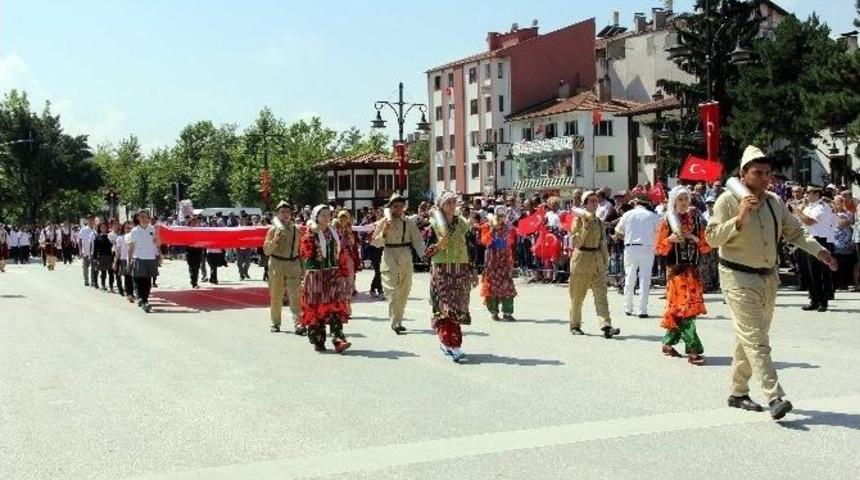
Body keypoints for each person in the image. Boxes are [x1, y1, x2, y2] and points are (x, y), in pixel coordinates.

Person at [706, 145, 837, 420]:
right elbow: (712, 239)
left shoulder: (774, 202)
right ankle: (774, 395)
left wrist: (819, 251)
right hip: (737, 277)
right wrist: (740, 218)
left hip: (768, 277)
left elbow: (795, 231)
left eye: (768, 173)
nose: (766, 178)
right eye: (758, 173)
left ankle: (738, 392)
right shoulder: (727, 201)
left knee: (749, 338)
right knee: (756, 339)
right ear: (743, 174)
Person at [655, 186, 711, 365]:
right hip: (676, 273)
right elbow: (659, 249)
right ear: (673, 201)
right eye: (680, 199)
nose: (684, 203)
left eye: (686, 199)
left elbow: (706, 246)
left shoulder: (696, 219)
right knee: (685, 310)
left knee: (684, 310)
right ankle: (693, 350)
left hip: (692, 273)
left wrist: (695, 239)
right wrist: (670, 240)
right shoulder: (667, 221)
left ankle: (668, 343)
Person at [426, 191, 476, 363]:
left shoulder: (463, 223)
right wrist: (437, 246)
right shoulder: (434, 224)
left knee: (458, 304)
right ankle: (454, 345)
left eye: (454, 202)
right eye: (448, 202)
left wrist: (473, 270)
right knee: (446, 307)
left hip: (460, 268)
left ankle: (446, 342)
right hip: (441, 267)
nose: (452, 205)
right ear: (441, 205)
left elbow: (471, 247)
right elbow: (427, 253)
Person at [371, 193, 426, 335]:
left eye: (401, 206)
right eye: (395, 206)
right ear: (391, 207)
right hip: (389, 254)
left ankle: (399, 320)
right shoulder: (384, 221)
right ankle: (395, 322)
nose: (399, 209)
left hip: (405, 255)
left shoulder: (408, 222)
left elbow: (418, 240)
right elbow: (375, 242)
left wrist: (424, 255)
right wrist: (384, 231)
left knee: (404, 289)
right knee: (392, 289)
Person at [299, 205, 351, 353]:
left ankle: (338, 339)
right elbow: (306, 252)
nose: (327, 218)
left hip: (332, 274)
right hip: (316, 275)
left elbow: (339, 255)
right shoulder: (311, 234)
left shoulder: (334, 234)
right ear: (316, 217)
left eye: (329, 215)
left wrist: (345, 274)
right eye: (323, 215)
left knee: (335, 307)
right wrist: (311, 232)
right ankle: (318, 339)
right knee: (316, 308)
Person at [569, 191, 620, 338]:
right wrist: (585, 226)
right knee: (577, 297)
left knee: (601, 296)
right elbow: (577, 242)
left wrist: (605, 262)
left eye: (596, 201)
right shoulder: (578, 220)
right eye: (591, 201)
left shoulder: (599, 221)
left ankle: (606, 326)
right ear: (585, 204)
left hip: (597, 260)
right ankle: (575, 325)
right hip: (582, 260)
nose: (594, 203)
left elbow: (603, 244)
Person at [614, 195, 660, 318]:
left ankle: (628, 307)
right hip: (647, 247)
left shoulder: (627, 215)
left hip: (630, 247)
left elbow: (618, 232)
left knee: (629, 278)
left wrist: (629, 238)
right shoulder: (653, 216)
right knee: (645, 279)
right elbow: (659, 232)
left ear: (636, 202)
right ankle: (642, 310)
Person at [263, 201, 304, 335]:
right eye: (282, 212)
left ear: (291, 214)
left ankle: (298, 323)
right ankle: (275, 323)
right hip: (277, 264)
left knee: (295, 296)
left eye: (287, 212)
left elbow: (301, 250)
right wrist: (275, 240)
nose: (285, 214)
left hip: (293, 264)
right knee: (276, 296)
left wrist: (303, 269)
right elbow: (267, 251)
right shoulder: (273, 230)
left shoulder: (297, 230)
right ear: (278, 214)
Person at [795, 185, 834, 311]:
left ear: (817, 194)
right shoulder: (809, 207)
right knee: (808, 272)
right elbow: (801, 222)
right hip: (807, 239)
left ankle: (823, 301)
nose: (806, 194)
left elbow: (808, 221)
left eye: (808, 192)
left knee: (818, 272)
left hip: (819, 240)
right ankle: (814, 300)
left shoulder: (823, 207)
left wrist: (797, 210)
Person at [479, 206, 518, 321]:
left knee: (507, 284)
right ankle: (494, 311)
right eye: (499, 215)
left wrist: (510, 258)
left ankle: (507, 312)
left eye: (503, 215)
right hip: (492, 257)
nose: (501, 218)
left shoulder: (508, 227)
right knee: (491, 284)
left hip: (504, 256)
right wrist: (492, 230)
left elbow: (511, 242)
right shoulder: (487, 225)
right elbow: (484, 241)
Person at [127, 209, 161, 313]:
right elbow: (131, 247)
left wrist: (158, 236)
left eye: (145, 216)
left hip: (150, 258)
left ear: (148, 218)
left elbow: (157, 243)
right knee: (138, 279)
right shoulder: (134, 231)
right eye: (141, 216)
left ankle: (145, 299)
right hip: (139, 258)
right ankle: (141, 298)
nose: (143, 218)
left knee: (147, 281)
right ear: (138, 218)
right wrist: (129, 260)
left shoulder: (152, 229)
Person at [333, 209, 361, 316]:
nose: (343, 220)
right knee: (338, 283)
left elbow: (352, 243)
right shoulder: (334, 229)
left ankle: (347, 307)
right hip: (337, 257)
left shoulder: (350, 230)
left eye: (345, 218)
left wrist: (349, 233)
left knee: (348, 282)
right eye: (341, 218)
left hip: (347, 256)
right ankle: (339, 308)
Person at [184, 217, 205, 289]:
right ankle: (194, 282)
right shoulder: (186, 231)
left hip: (198, 251)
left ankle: (194, 280)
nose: (193, 224)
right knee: (192, 267)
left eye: (194, 222)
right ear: (189, 224)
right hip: (190, 252)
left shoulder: (200, 231)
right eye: (192, 223)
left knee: (196, 267)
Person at [114, 221, 132, 299]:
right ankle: (126, 292)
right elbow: (118, 251)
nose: (127, 229)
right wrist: (115, 262)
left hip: (133, 259)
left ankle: (130, 292)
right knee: (126, 276)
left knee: (131, 277)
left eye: (129, 228)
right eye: (126, 227)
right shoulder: (120, 237)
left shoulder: (134, 236)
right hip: (123, 259)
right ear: (123, 228)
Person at [93, 222, 113, 291]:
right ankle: (103, 285)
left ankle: (111, 285)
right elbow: (95, 249)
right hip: (101, 256)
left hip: (109, 256)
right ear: (100, 228)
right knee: (103, 272)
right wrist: (95, 258)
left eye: (105, 227)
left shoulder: (110, 236)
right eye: (102, 227)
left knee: (110, 272)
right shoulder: (97, 237)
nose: (104, 228)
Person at [77, 216, 96, 287]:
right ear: (87, 221)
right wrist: (80, 250)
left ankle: (93, 280)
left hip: (93, 252)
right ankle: (86, 280)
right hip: (85, 251)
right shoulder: (83, 230)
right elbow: (79, 240)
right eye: (90, 220)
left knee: (93, 267)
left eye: (92, 220)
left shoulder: (95, 230)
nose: (91, 221)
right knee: (85, 267)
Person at [236, 216, 253, 280]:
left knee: (248, 262)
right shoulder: (236, 228)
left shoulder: (248, 228)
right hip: (239, 248)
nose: (243, 221)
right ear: (239, 220)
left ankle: (245, 271)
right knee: (239, 263)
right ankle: (241, 274)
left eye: (244, 219)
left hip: (247, 248)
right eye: (241, 219)